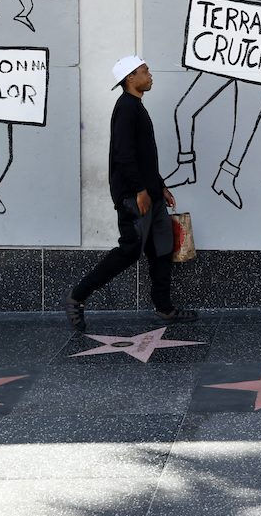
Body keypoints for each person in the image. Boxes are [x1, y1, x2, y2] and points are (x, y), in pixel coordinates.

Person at [65, 56, 196, 331]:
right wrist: (140, 190)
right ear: (129, 78)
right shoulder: (126, 107)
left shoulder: (137, 106)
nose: (150, 75)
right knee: (129, 251)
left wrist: (159, 185)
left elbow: (145, 155)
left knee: (162, 249)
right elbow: (124, 155)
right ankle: (77, 296)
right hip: (135, 196)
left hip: (151, 194)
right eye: (144, 71)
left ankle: (165, 308)